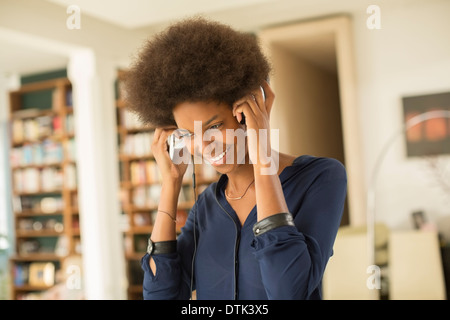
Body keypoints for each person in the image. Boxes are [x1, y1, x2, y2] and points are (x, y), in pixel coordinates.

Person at [124, 17, 347, 300]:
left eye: (214, 127)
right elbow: (160, 296)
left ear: (248, 113)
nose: (204, 146)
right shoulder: (206, 205)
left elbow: (288, 291)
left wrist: (262, 150)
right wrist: (170, 184)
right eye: (188, 134)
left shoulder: (320, 177)